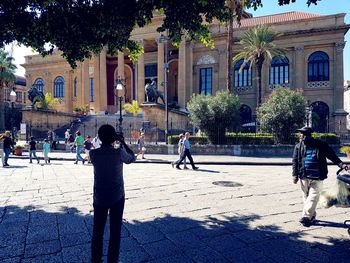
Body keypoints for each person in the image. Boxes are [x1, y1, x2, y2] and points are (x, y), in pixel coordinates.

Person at [89, 124, 135, 263]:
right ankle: (112, 260)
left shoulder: (93, 154)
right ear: (113, 137)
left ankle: (96, 259)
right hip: (117, 196)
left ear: (100, 137)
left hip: (99, 197)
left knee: (97, 232)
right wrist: (123, 143)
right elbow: (131, 158)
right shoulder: (118, 152)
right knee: (115, 232)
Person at [292, 126, 347, 227]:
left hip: (317, 176)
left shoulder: (321, 145)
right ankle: (312, 216)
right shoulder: (298, 146)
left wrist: (341, 165)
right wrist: (295, 175)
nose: (301, 136)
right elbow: (295, 161)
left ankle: (306, 217)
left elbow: (332, 156)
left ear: (309, 135)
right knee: (306, 197)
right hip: (303, 176)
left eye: (303, 134)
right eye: (300, 134)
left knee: (313, 196)